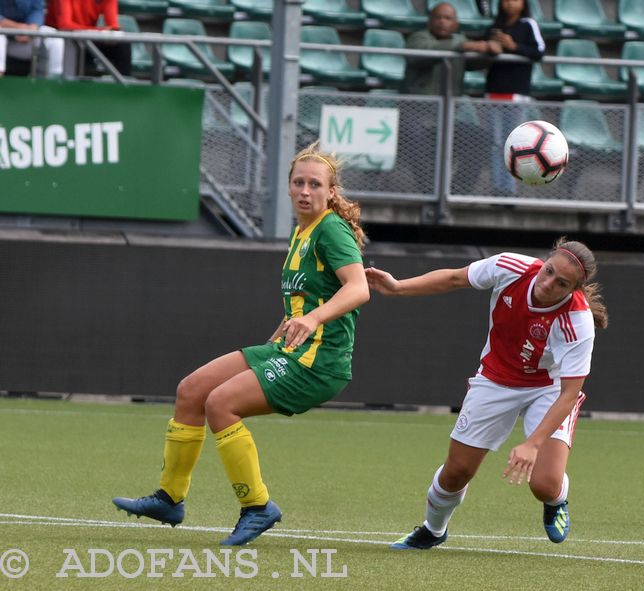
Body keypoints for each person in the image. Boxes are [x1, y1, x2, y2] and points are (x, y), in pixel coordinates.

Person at [112, 142, 370, 546]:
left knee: (220, 404)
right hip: (291, 349)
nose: (305, 190)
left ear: (331, 192)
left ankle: (257, 507)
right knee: (191, 390)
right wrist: (283, 331)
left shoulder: (331, 229)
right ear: (288, 187)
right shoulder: (302, 230)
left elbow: (359, 289)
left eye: (315, 184)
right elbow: (307, 300)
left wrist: (313, 318)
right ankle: (169, 498)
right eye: (298, 182)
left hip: (319, 362)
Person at [365, 237, 608, 549]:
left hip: (548, 389)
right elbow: (454, 278)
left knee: (544, 484)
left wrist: (532, 444)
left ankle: (556, 500)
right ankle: (433, 530)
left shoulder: (578, 320)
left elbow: (569, 393)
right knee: (457, 472)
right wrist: (398, 286)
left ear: (573, 290)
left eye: (561, 283)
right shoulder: (510, 266)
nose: (548, 284)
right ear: (544, 261)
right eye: (548, 272)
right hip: (496, 379)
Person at [400, 2, 500, 195]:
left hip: (444, 121)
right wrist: (463, 45)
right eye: (438, 17)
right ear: (429, 21)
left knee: (480, 138)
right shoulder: (418, 38)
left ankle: (457, 191)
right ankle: (429, 190)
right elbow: (422, 54)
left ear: (456, 23)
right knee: (415, 137)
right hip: (413, 118)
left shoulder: (459, 43)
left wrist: (491, 52)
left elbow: (476, 61)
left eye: (448, 18)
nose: (442, 22)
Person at [484, 0, 545, 194]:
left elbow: (539, 51)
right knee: (495, 142)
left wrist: (514, 46)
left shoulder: (528, 24)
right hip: (494, 91)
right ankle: (497, 187)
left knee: (513, 143)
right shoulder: (495, 26)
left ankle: (509, 189)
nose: (510, 3)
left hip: (516, 93)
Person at [45, 0, 131, 76]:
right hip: (61, 38)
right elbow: (64, 25)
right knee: (66, 44)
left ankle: (123, 87)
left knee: (122, 44)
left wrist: (110, 31)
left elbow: (113, 26)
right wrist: (99, 30)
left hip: (87, 38)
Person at [0, 0, 65, 77]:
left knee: (55, 38)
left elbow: (37, 11)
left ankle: (55, 79)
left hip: (27, 39)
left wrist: (32, 28)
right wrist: (19, 28)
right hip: (6, 39)